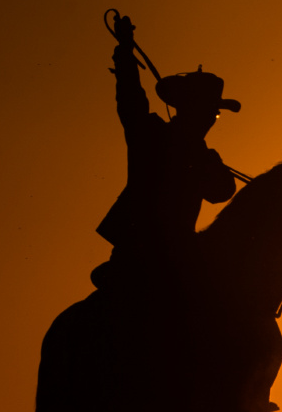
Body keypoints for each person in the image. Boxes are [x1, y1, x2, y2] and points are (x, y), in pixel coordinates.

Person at [91, 15, 239, 297]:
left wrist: (208, 161)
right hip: (138, 253)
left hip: (179, 256)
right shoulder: (150, 133)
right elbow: (130, 97)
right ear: (189, 108)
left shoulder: (205, 155)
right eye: (211, 110)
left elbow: (223, 191)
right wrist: (125, 52)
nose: (212, 117)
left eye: (215, 113)